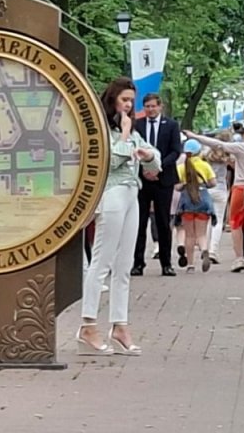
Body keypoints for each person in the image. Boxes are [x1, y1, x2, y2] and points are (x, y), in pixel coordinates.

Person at [79, 77, 159, 356]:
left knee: (124, 264)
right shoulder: (101, 129)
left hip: (131, 193)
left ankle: (120, 325)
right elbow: (110, 161)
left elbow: (155, 160)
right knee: (101, 261)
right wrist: (125, 137)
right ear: (112, 100)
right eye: (124, 100)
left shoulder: (132, 131)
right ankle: (88, 324)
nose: (128, 105)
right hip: (111, 193)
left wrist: (146, 155)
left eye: (131, 101)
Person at [185, 123, 244, 273]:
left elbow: (218, 144)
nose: (242, 135)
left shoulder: (242, 147)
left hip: (240, 188)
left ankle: (239, 259)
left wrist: (195, 137)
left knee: (236, 223)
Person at [133, 93, 183, 277]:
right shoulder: (137, 125)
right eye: (147, 106)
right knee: (139, 222)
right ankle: (138, 263)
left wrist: (157, 168)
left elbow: (175, 151)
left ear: (160, 106)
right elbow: (133, 149)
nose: (150, 109)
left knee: (163, 222)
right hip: (142, 179)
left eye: (153, 106)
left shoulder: (171, 125)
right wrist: (145, 169)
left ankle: (166, 263)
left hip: (163, 179)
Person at [175, 139, 218, 272]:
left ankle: (190, 265)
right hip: (202, 201)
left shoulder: (181, 167)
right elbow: (213, 183)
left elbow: (177, 187)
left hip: (187, 202)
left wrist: (185, 185)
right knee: (201, 234)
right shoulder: (205, 165)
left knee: (189, 235)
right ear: (199, 151)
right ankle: (204, 250)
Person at [203, 132, 233, 264]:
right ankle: (213, 251)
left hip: (207, 188)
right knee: (218, 221)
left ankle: (204, 247)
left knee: (206, 220)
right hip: (220, 189)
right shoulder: (228, 155)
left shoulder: (206, 154)